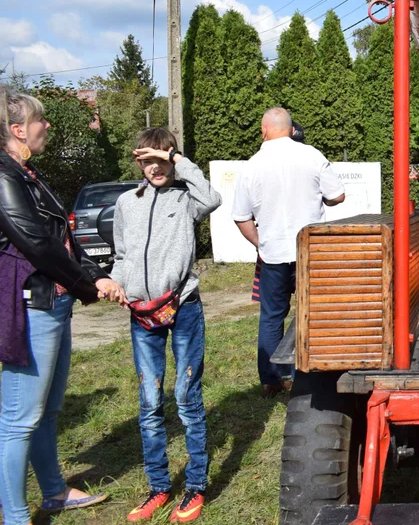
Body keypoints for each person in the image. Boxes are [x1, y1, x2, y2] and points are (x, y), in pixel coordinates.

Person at [0, 85, 124, 525]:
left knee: (47, 411)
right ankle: (14, 516)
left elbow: (62, 241)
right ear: (18, 130)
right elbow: (37, 246)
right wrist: (89, 288)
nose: (46, 126)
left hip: (54, 303)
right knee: (19, 419)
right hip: (31, 306)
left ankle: (53, 491)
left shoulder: (28, 174)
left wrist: (96, 276)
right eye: (39, 121)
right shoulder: (3, 175)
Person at [111, 128, 222, 522]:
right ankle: (158, 487)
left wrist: (177, 159)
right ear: (138, 162)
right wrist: (118, 283)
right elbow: (122, 254)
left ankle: (195, 486)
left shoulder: (186, 198)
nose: (155, 168)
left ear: (172, 158)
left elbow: (213, 197)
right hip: (142, 315)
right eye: (148, 161)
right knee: (149, 401)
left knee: (186, 396)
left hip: (184, 308)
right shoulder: (126, 203)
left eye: (162, 159)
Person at [232, 108, 345, 396]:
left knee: (272, 315)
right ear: (292, 129)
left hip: (273, 254)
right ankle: (313, 374)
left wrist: (260, 242)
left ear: (264, 130)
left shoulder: (251, 165)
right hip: (311, 251)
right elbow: (338, 196)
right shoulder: (312, 155)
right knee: (314, 312)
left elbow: (241, 217)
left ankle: (272, 380)